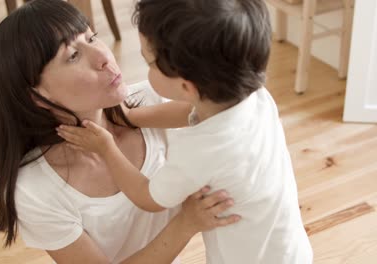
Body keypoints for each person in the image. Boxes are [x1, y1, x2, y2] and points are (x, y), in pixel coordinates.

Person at [57, 0, 314, 263]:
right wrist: (132, 116)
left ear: (186, 86)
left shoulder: (200, 151)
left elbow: (148, 197)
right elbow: (190, 113)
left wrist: (106, 148)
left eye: (150, 63)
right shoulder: (255, 96)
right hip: (290, 249)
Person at [0, 0, 241, 263]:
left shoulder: (153, 101)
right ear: (36, 96)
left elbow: (227, 107)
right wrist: (186, 223)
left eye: (92, 37)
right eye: (73, 55)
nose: (103, 57)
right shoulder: (35, 188)